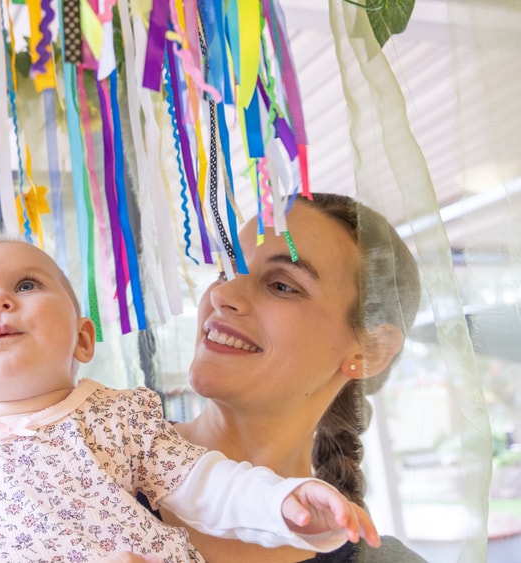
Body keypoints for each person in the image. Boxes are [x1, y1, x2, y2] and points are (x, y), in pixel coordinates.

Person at [0, 238, 381, 563]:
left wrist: (284, 503)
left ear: (82, 337)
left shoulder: (121, 417)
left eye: (25, 286)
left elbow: (208, 485)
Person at [158, 193, 426, 562]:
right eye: (226, 271)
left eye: (282, 285)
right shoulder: (86, 459)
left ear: (371, 350)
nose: (222, 293)